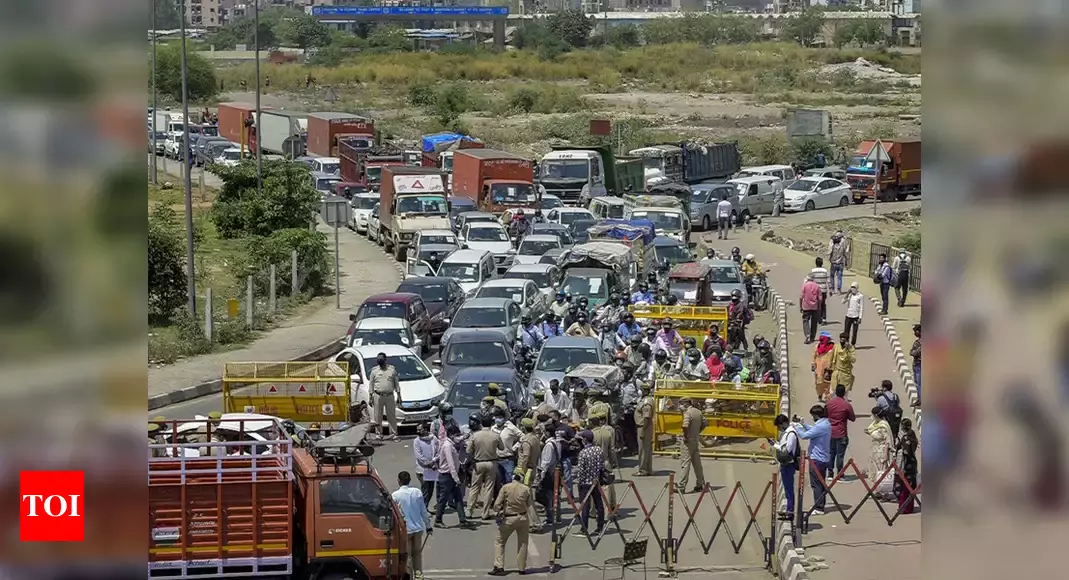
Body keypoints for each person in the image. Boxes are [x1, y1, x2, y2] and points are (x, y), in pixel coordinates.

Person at [489, 473, 535, 576]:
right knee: (523, 543)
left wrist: (497, 512)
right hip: (523, 518)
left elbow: (497, 504)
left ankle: (499, 566)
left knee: (499, 541)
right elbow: (531, 506)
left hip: (509, 518)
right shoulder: (526, 489)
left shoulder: (506, 487)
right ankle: (521, 568)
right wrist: (535, 522)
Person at [392, 471, 432, 580]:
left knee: (408, 555)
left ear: (399, 481)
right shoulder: (417, 492)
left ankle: (409, 576)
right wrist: (428, 526)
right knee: (417, 553)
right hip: (418, 528)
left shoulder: (395, 495)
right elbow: (423, 511)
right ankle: (419, 574)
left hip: (406, 530)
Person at [793, 404, 831, 515]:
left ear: (816, 415)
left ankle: (819, 507)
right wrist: (802, 424)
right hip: (823, 458)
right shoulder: (825, 424)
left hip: (817, 458)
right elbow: (813, 430)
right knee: (821, 482)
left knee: (816, 484)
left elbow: (805, 436)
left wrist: (797, 427)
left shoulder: (821, 426)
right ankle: (820, 504)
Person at [467, 415, 505, 520]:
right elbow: (502, 448)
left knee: (474, 487)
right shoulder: (495, 435)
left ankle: (469, 510)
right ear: (492, 424)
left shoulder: (475, 435)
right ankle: (485, 512)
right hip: (491, 463)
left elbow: (468, 450)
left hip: (478, 463)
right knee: (489, 488)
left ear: (481, 424)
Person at [575, 430, 606, 537]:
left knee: (585, 506)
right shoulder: (599, 450)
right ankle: (600, 527)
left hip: (585, 483)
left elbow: (581, 471)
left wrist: (579, 483)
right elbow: (602, 466)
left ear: (584, 440)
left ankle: (584, 529)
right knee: (599, 504)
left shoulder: (583, 453)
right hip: (596, 481)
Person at [772, 414, 800, 520]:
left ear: (784, 423)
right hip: (786, 464)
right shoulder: (787, 433)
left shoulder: (791, 434)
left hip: (789, 464)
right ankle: (789, 510)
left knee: (789, 489)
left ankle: (790, 512)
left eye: (779, 426)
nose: (779, 429)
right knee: (787, 488)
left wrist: (775, 445)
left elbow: (787, 450)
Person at [535, 428, 566, 527]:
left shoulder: (549, 445)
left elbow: (546, 462)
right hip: (556, 471)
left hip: (550, 473)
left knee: (549, 496)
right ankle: (558, 517)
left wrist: (541, 476)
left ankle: (550, 518)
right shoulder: (557, 443)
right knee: (556, 495)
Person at [676, 397, 707, 493]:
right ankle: (700, 484)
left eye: (681, 404)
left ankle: (681, 486)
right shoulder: (698, 412)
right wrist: (698, 431)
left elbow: (685, 426)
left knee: (685, 464)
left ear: (686, 403)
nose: (680, 406)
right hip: (695, 439)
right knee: (697, 464)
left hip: (688, 441)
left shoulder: (687, 413)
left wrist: (685, 436)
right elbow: (705, 423)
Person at [825, 384, 855, 481]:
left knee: (831, 453)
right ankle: (840, 474)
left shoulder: (829, 403)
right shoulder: (846, 405)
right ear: (844, 393)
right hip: (841, 433)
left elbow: (825, 415)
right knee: (840, 455)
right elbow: (852, 418)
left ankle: (829, 473)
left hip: (830, 433)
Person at [369, 353, 401, 440]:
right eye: (378, 360)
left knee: (391, 415)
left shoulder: (392, 370)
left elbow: (396, 384)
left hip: (389, 395)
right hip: (378, 395)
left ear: (385, 360)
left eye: (381, 360)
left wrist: (399, 396)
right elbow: (371, 384)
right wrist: (370, 396)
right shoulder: (374, 371)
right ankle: (379, 434)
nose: (380, 361)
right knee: (378, 416)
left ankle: (394, 434)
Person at [864, 407, 893, 498]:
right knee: (875, 471)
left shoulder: (883, 426)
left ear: (876, 415)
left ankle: (885, 493)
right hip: (874, 450)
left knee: (881, 471)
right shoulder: (875, 424)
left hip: (881, 451)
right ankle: (878, 491)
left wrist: (885, 455)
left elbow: (887, 441)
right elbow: (874, 432)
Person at [493, 411, 523, 489]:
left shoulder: (511, 427)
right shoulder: (493, 428)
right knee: (497, 482)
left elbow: (523, 437)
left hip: (508, 459)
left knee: (509, 481)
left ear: (504, 418)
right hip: (496, 459)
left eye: (500, 417)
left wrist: (515, 447)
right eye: (496, 417)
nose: (497, 420)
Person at [895, 418, 919, 514]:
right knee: (910, 487)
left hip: (906, 464)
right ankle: (909, 507)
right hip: (912, 464)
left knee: (904, 487)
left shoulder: (906, 438)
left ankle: (904, 508)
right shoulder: (912, 435)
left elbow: (905, 451)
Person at [414, 424, 439, 507]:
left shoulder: (434, 439)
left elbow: (438, 451)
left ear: (425, 429)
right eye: (417, 429)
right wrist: (427, 463)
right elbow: (418, 456)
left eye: (420, 429)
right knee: (425, 490)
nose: (418, 431)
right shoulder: (417, 441)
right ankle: (423, 509)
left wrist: (433, 461)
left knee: (431, 489)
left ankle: (425, 507)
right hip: (422, 470)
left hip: (432, 469)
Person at [633, 383, 655, 476]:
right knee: (646, 449)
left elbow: (647, 417)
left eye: (641, 390)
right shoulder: (645, 399)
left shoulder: (647, 402)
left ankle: (642, 470)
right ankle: (648, 469)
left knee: (643, 450)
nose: (640, 391)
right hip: (644, 426)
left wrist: (642, 430)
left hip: (644, 427)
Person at [830, 332, 857, 400]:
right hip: (836, 372)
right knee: (832, 392)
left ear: (847, 340)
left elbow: (853, 360)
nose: (842, 341)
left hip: (845, 374)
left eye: (843, 340)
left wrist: (847, 351)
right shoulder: (836, 346)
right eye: (841, 340)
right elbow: (832, 357)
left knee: (844, 394)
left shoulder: (851, 349)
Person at [811, 331, 835, 402]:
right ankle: (820, 394)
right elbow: (813, 356)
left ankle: (827, 397)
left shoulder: (832, 347)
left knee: (828, 383)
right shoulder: (817, 347)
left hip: (828, 369)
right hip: (818, 368)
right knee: (819, 383)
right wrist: (813, 364)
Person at [799, 274, 822, 344]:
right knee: (814, 322)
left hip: (806, 307)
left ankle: (807, 334)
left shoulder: (805, 285)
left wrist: (800, 306)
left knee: (805, 321)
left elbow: (801, 297)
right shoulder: (817, 286)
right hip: (815, 307)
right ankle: (812, 337)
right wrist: (819, 307)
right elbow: (820, 299)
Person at [841, 282, 863, 346]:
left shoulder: (860, 296)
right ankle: (846, 343)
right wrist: (847, 294)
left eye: (854, 287)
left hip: (856, 316)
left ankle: (853, 344)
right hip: (848, 315)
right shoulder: (850, 295)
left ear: (857, 288)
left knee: (854, 331)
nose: (852, 289)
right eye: (851, 287)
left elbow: (861, 307)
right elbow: (842, 302)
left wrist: (860, 317)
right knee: (846, 330)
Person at [811, 257, 831, 324]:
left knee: (816, 304)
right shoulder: (825, 271)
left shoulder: (813, 271)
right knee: (823, 304)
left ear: (815, 263)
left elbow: (810, 280)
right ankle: (824, 318)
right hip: (823, 290)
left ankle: (817, 318)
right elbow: (828, 281)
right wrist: (830, 290)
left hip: (815, 290)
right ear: (822, 263)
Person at [910, 324, 921, 406]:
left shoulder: (919, 342)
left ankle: (920, 400)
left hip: (919, 364)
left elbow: (914, 352)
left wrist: (913, 352)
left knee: (919, 383)